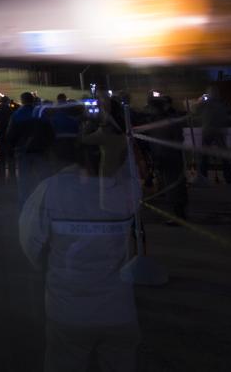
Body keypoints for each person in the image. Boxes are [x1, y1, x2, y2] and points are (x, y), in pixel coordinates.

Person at [20, 138, 142, 372]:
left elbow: (30, 240)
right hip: (120, 309)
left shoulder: (52, 189)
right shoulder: (128, 191)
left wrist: (42, 268)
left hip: (68, 307)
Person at [6, 92, 56, 205]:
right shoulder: (40, 113)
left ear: (22, 101)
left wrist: (13, 148)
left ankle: (25, 203)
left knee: (24, 180)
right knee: (43, 178)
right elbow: (50, 132)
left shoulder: (16, 115)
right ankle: (45, 201)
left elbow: (10, 135)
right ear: (32, 100)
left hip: (23, 152)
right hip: (40, 151)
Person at [195, 88, 231, 185]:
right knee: (224, 155)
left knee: (204, 155)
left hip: (209, 131)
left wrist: (200, 100)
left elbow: (195, 110)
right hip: (219, 131)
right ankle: (228, 178)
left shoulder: (205, 104)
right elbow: (227, 116)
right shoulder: (221, 104)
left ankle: (204, 177)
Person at [0, 95, 16, 182]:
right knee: (11, 158)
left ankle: (2, 178)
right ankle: (12, 177)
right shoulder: (11, 110)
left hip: (0, 137)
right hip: (10, 137)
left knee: (1, 158)